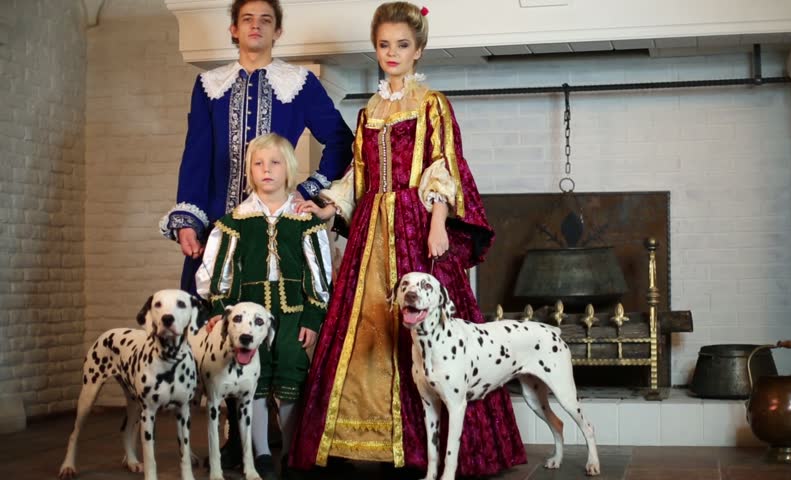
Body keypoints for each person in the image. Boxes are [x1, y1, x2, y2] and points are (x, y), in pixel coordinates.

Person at [290, 2, 526, 476]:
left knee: (426, 332)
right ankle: (360, 443)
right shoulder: (368, 111)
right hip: (371, 230)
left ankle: (423, 450)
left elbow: (444, 165)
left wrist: (438, 221)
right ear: (376, 49)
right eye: (384, 45)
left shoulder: (431, 104)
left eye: (402, 45)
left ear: (418, 51)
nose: (392, 53)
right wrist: (330, 204)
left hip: (416, 226)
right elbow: (359, 174)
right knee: (362, 330)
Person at [158, 0, 353, 469]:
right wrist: (189, 221)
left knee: (285, 332)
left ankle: (287, 439)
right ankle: (233, 438)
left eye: (266, 20)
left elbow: (342, 141)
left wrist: (308, 190)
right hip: (220, 235)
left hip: (280, 234)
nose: (256, 27)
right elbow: (196, 155)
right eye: (248, 19)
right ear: (233, 28)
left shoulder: (300, 84)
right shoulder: (208, 86)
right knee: (220, 335)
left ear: (277, 30)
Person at [197, 133, 333, 480]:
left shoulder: (306, 223)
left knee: (290, 374)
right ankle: (258, 455)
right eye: (258, 164)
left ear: (288, 170)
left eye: (274, 163)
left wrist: (313, 317)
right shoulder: (235, 222)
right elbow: (220, 272)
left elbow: (319, 275)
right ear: (250, 172)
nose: (266, 170)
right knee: (252, 381)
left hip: (292, 316)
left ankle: (291, 453)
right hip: (248, 318)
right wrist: (219, 310)